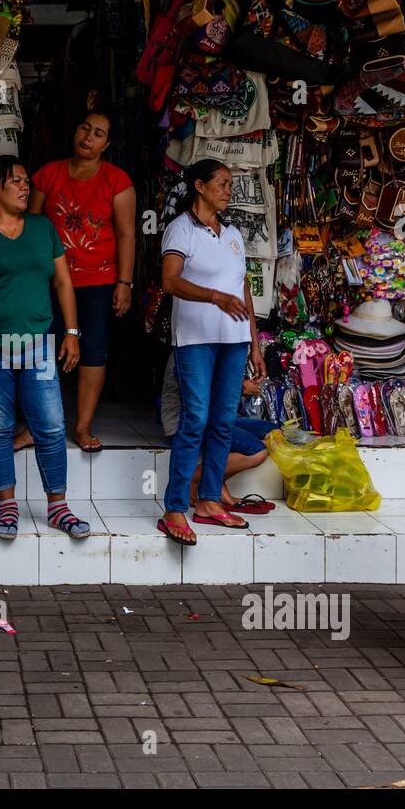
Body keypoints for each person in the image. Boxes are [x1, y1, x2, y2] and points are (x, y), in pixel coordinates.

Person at [0, 157, 91, 540]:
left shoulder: (43, 229)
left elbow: (63, 284)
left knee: (52, 424)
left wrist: (71, 331)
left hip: (39, 344)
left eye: (27, 181)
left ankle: (57, 506)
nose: (26, 188)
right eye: (17, 182)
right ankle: (7, 506)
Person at [158, 159, 266, 546]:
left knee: (223, 421)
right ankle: (174, 506)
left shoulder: (233, 233)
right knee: (196, 421)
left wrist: (255, 343)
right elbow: (170, 281)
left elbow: (244, 291)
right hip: (196, 340)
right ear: (199, 186)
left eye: (229, 184)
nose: (227, 190)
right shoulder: (180, 229)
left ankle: (207, 501)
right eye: (221, 183)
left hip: (234, 340)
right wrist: (213, 297)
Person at [28, 111, 137, 453]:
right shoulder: (48, 174)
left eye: (98, 133)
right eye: (85, 128)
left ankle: (82, 425)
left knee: (92, 352)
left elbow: (126, 233)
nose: (88, 137)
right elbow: (32, 227)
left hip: (99, 281)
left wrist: (125, 282)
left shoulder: (117, 181)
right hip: (51, 279)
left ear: (107, 144)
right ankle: (41, 426)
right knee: (44, 350)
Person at [160, 353, 277, 514]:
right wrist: (241, 387)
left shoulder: (225, 344)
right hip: (185, 421)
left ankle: (217, 485)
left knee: (274, 433)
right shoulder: (191, 348)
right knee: (257, 451)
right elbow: (200, 391)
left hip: (216, 418)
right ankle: (196, 478)